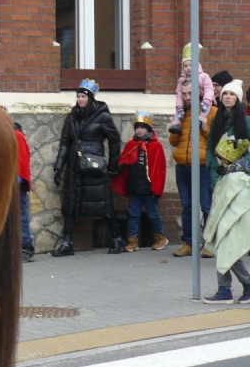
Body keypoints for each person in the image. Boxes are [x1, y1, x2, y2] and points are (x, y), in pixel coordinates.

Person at [52, 78, 122, 256]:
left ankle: (116, 239)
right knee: (70, 205)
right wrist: (59, 167)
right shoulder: (72, 117)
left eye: (83, 96)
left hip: (93, 167)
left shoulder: (103, 116)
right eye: (78, 96)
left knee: (104, 203)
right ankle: (67, 242)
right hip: (75, 168)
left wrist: (113, 165)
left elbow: (114, 141)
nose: (80, 99)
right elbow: (65, 144)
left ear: (90, 98)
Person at [202, 79, 250, 304]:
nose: (228, 97)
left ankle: (236, 286)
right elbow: (211, 149)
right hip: (221, 184)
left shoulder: (246, 122)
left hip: (240, 187)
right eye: (225, 94)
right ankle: (226, 289)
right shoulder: (217, 122)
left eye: (232, 94)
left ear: (238, 98)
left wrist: (238, 165)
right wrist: (215, 169)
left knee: (229, 239)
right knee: (219, 237)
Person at [169, 78, 216, 257]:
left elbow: (216, 139)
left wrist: (204, 127)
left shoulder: (212, 112)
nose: (188, 97)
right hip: (183, 164)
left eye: (191, 93)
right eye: (184, 94)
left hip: (203, 165)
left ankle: (210, 244)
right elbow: (174, 142)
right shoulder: (181, 113)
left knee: (206, 205)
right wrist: (175, 128)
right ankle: (188, 242)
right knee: (187, 206)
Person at [111, 111, 168, 252]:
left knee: (153, 213)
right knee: (133, 213)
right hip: (134, 186)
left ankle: (160, 237)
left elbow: (160, 169)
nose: (139, 130)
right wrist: (116, 170)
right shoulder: (131, 145)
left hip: (149, 188)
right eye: (137, 127)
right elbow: (125, 161)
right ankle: (132, 240)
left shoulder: (156, 146)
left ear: (148, 129)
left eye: (142, 127)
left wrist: (157, 189)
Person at [169, 43, 213, 135]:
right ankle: (176, 124)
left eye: (191, 65)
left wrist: (206, 100)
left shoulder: (203, 76)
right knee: (178, 112)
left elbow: (209, 89)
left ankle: (201, 119)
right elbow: (179, 95)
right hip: (187, 102)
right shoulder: (182, 80)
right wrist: (179, 107)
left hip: (203, 99)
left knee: (205, 108)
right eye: (185, 66)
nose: (188, 68)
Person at [13, 118, 35, 262]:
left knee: (21, 213)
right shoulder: (16, 135)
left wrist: (17, 180)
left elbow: (20, 161)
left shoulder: (16, 136)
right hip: (15, 180)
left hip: (16, 181)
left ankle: (26, 245)